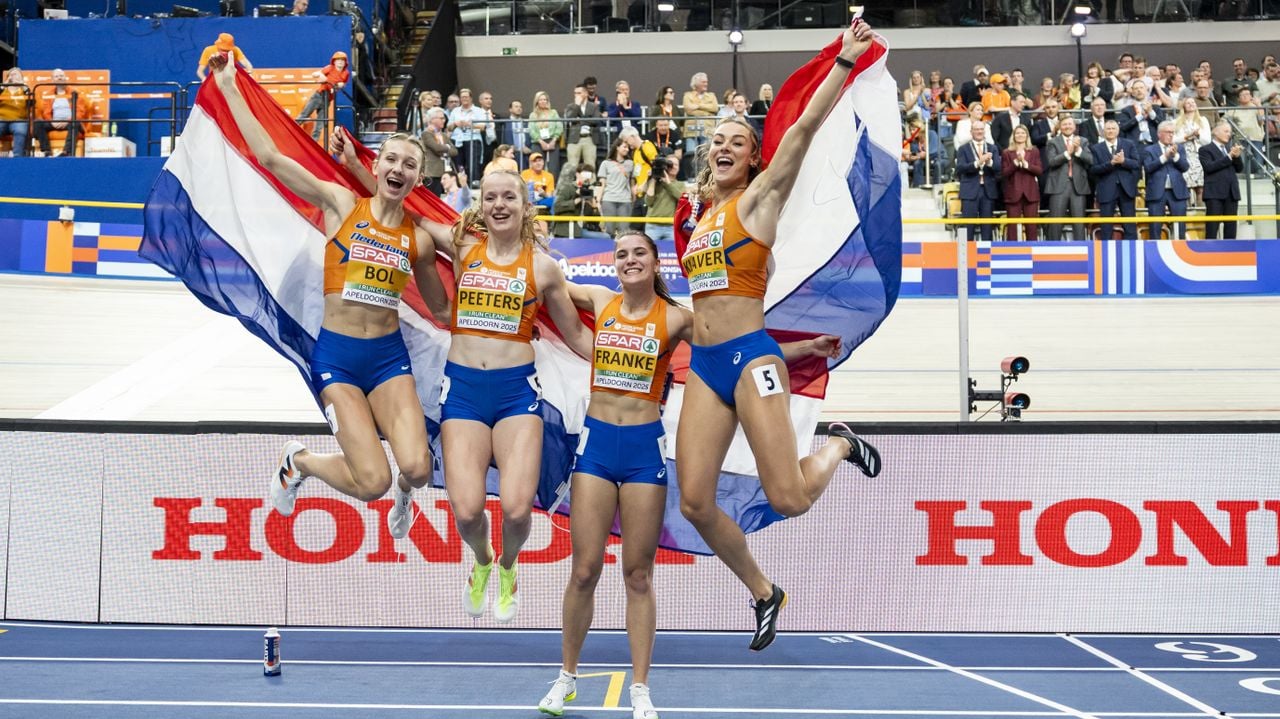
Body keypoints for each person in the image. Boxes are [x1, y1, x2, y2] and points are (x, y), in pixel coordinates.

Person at [676, 19, 882, 654]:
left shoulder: (761, 198)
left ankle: (840, 447)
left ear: (753, 155)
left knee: (789, 498)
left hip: (748, 361)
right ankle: (765, 592)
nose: (724, 146)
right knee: (694, 503)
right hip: (707, 364)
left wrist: (843, 63)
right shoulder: (700, 216)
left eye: (737, 140)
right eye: (717, 140)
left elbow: (799, 131)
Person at [211, 57, 450, 542]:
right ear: (376, 166)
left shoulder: (419, 241)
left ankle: (406, 496)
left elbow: (443, 311)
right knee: (372, 483)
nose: (398, 168)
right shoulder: (341, 204)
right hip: (338, 360)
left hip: (388, 360)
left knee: (417, 471)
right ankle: (298, 462)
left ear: (418, 180)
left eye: (410, 164)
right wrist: (230, 87)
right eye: (391, 159)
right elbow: (271, 158)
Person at [1043, 116, 1092, 241]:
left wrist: (1078, 151)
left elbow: (1090, 160)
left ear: (1075, 127)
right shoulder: (1052, 142)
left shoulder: (1083, 141)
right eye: (1064, 124)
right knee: (1055, 224)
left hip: (1078, 187)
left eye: (1070, 124)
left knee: (1079, 224)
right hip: (1058, 186)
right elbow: (1051, 162)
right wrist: (1067, 153)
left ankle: (1082, 254)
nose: (1067, 127)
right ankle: (1052, 252)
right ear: (1060, 127)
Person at [1089, 119, 1140, 240]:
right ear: (1103, 131)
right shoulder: (1096, 148)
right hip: (1106, 191)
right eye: (1108, 129)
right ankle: (1106, 255)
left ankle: (1131, 254)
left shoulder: (1129, 144)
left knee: (1130, 225)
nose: (1111, 131)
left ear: (1118, 130)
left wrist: (1124, 161)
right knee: (1106, 227)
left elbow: (1137, 163)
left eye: (1113, 128)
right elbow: (1093, 169)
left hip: (1126, 190)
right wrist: (1110, 163)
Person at [1143, 121, 1190, 240]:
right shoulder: (1149, 150)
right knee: (1155, 227)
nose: (1171, 135)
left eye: (1172, 132)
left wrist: (1175, 156)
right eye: (1168, 132)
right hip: (1157, 193)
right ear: (1159, 134)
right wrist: (1165, 157)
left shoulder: (1179, 148)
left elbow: (1185, 167)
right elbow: (1148, 168)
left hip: (1177, 193)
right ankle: (1154, 253)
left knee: (1180, 227)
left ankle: (1180, 252)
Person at [956, 119, 1001, 241]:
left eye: (981, 129)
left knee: (987, 227)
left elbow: (999, 167)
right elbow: (960, 168)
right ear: (971, 132)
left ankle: (987, 256)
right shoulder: (963, 149)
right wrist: (977, 163)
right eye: (976, 129)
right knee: (968, 227)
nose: (979, 132)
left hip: (988, 191)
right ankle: (967, 256)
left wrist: (989, 162)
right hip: (970, 191)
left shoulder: (993, 148)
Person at [1199, 121, 1243, 239]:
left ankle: (1230, 252)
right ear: (1215, 132)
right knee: (1212, 228)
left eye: (1230, 132)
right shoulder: (1205, 150)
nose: (1229, 134)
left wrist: (1237, 157)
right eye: (1226, 131)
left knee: (1231, 228)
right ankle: (1210, 252)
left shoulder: (1230, 149)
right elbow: (1210, 167)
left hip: (1231, 193)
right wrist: (1229, 157)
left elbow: (1239, 169)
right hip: (1214, 194)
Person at [33, 69, 91, 158]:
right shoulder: (49, 94)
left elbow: (80, 112)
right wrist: (52, 122)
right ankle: (46, 151)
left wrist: (67, 121)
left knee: (75, 122)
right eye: (57, 76)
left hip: (70, 121)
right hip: (54, 122)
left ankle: (66, 152)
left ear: (65, 78)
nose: (59, 78)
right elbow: (46, 112)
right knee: (38, 122)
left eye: (61, 76)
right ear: (52, 80)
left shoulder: (75, 92)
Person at [1000, 124, 1042, 241]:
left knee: (1031, 227)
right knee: (1012, 227)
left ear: (1027, 135)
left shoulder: (1034, 151)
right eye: (1017, 133)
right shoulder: (1007, 152)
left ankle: (1033, 252)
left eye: (1023, 133)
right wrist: (1015, 163)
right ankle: (1012, 253)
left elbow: (1039, 170)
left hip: (1031, 193)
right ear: (1013, 136)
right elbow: (1004, 173)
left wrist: (1026, 164)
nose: (1020, 135)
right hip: (1013, 194)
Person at [296, 51, 349, 141]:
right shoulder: (330, 68)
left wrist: (341, 84)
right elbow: (316, 74)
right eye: (338, 60)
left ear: (345, 63)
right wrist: (320, 75)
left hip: (327, 99)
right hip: (318, 96)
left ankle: (314, 144)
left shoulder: (346, 73)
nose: (340, 62)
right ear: (334, 61)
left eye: (342, 60)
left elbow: (343, 84)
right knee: (303, 115)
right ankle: (289, 133)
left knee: (320, 123)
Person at [1173, 97, 1211, 206]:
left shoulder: (1203, 120)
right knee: (1185, 187)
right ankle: (1188, 214)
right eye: (1188, 103)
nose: (1191, 104)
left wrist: (1198, 135)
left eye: (1193, 102)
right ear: (1183, 106)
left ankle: (1201, 214)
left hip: (1199, 157)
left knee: (1200, 187)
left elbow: (1207, 140)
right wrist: (1186, 137)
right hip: (1184, 157)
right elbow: (1173, 140)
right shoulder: (1176, 122)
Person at [681, 72, 719, 178]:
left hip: (707, 130)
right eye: (703, 82)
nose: (706, 84)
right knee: (690, 155)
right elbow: (688, 109)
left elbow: (714, 108)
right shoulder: (687, 95)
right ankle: (691, 177)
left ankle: (705, 177)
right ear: (696, 83)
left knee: (706, 154)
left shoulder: (711, 95)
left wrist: (697, 106)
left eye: (706, 81)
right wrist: (706, 110)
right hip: (691, 130)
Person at [447, 88, 488, 180]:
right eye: (462, 97)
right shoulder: (455, 111)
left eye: (466, 97)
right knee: (458, 165)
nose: (464, 99)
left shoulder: (478, 110)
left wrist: (470, 124)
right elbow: (448, 127)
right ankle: (458, 185)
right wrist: (455, 124)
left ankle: (473, 184)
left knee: (473, 165)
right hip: (457, 139)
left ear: (471, 98)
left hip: (472, 139)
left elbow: (483, 126)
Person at [597, 138, 635, 236]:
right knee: (609, 230)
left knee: (624, 230)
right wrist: (598, 200)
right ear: (617, 147)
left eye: (628, 148)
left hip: (625, 200)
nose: (627, 150)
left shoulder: (630, 163)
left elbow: (632, 182)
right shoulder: (606, 163)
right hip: (609, 199)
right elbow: (602, 183)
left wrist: (633, 197)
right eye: (624, 147)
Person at [564, 84, 603, 176]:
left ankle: (590, 187)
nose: (576, 95)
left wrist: (579, 120)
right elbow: (569, 118)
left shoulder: (594, 106)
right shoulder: (571, 106)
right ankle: (572, 187)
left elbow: (596, 121)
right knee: (572, 166)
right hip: (574, 139)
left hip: (589, 138)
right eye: (575, 93)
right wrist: (577, 105)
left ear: (585, 94)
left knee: (590, 165)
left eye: (579, 93)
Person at [419, 106, 457, 195]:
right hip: (432, 173)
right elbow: (436, 148)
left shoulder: (443, 135)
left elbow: (455, 151)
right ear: (432, 120)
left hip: (444, 172)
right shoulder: (426, 134)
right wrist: (447, 147)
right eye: (441, 118)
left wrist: (444, 148)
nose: (444, 120)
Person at [642, 155, 681, 241]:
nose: (673, 167)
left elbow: (681, 198)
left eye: (676, 165)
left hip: (670, 226)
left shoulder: (680, 185)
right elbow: (648, 202)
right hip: (652, 225)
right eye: (670, 164)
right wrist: (652, 179)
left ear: (679, 168)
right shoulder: (655, 182)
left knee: (672, 253)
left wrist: (667, 183)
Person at [528, 90, 563, 179]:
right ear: (537, 102)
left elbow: (559, 126)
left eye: (545, 100)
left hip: (552, 141)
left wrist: (554, 140)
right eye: (541, 100)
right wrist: (541, 142)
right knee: (537, 164)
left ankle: (553, 186)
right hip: (538, 142)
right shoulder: (533, 115)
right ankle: (537, 185)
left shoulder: (553, 112)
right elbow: (531, 130)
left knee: (553, 166)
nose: (543, 102)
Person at [0, 67, 30, 157]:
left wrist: (23, 86)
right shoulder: (2, 89)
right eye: (12, 74)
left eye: (17, 74)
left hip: (19, 119)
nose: (14, 76)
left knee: (20, 131)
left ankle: (18, 157)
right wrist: (4, 85)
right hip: (2, 119)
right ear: (8, 77)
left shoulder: (25, 90)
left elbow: (32, 103)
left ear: (21, 77)